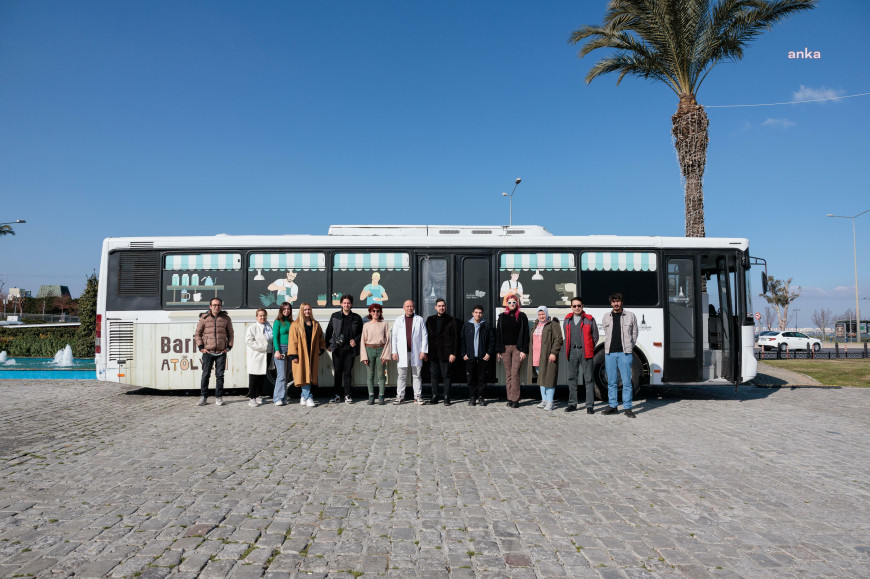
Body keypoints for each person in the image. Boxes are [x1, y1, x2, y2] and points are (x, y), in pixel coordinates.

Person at [602, 293, 639, 418]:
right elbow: (607, 333)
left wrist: (629, 346)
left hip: (625, 353)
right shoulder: (606, 316)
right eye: (613, 302)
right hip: (610, 353)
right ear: (611, 303)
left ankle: (627, 408)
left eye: (617, 301)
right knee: (611, 381)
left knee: (626, 381)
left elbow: (635, 333)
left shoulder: (630, 316)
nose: (615, 304)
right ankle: (613, 406)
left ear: (621, 302)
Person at [194, 297, 234, 406]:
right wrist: (201, 347)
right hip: (208, 352)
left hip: (221, 352)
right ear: (210, 306)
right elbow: (197, 333)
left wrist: (229, 347)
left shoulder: (226, 318)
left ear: (221, 306)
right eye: (214, 305)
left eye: (219, 305)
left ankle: (219, 397)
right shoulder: (204, 318)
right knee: (205, 374)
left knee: (220, 375)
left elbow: (231, 334)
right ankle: (203, 397)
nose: (217, 307)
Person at [563, 297, 599, 414]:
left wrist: (589, 347)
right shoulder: (567, 320)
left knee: (588, 379)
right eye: (574, 306)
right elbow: (566, 335)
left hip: (585, 352)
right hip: (572, 352)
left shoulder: (589, 319)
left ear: (582, 306)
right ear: (571, 307)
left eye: (579, 305)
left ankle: (590, 406)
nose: (577, 308)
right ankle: (572, 404)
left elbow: (595, 336)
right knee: (572, 378)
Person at [325, 294, 363, 404]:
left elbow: (362, 333)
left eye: (348, 303)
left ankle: (347, 395)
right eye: (344, 303)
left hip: (350, 350)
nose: (346, 305)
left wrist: (355, 340)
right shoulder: (335, 316)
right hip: (337, 349)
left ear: (351, 305)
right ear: (341, 304)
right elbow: (329, 331)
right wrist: (327, 344)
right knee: (337, 372)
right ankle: (336, 395)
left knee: (347, 372)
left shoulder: (357, 318)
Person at [289, 302, 326, 407]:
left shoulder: (315, 324)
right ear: (301, 311)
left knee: (309, 375)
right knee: (303, 375)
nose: (307, 311)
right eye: (305, 309)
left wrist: (321, 349)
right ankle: (309, 397)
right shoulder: (296, 325)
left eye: (309, 309)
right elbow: (292, 341)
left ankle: (303, 396)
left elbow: (320, 338)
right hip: (301, 354)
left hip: (312, 354)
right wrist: (294, 355)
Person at [391, 300, 428, 404]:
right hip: (402, 352)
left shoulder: (419, 319)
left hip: (416, 352)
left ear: (414, 307)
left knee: (417, 375)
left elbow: (424, 336)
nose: (409, 308)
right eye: (407, 306)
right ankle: (400, 396)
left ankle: (417, 396)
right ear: (404, 308)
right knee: (401, 376)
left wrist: (423, 351)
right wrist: (394, 352)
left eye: (411, 306)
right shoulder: (398, 320)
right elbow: (394, 337)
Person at [495, 296, 529, 408]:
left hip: (517, 348)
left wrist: (524, 350)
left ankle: (515, 399)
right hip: (504, 349)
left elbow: (525, 335)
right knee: (508, 374)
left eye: (514, 302)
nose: (512, 304)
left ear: (517, 303)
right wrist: (498, 350)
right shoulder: (502, 317)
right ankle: (509, 398)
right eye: (510, 302)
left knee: (515, 373)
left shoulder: (522, 316)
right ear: (507, 304)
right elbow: (498, 334)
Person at [528, 306, 563, 411]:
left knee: (549, 378)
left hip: (548, 356)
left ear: (547, 314)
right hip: (536, 356)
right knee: (541, 378)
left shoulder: (553, 325)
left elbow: (559, 339)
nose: (541, 316)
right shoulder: (536, 324)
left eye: (543, 314)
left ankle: (550, 402)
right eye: (539, 314)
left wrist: (553, 353)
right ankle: (544, 400)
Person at [424, 298, 458, 405]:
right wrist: (425, 351)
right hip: (433, 353)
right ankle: (435, 396)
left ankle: (446, 397)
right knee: (434, 375)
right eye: (439, 306)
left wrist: (453, 353)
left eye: (443, 306)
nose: (441, 308)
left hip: (446, 353)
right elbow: (425, 337)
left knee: (446, 375)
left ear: (445, 307)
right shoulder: (430, 320)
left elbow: (455, 338)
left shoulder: (451, 320)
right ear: (435, 307)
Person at [461, 305, 494, 406]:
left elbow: (491, 341)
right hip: (470, 357)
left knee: (482, 378)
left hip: (482, 357)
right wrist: (463, 354)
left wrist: (488, 353)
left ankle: (481, 397)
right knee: (471, 378)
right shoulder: (467, 325)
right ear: (472, 313)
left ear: (482, 314)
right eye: (476, 312)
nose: (478, 314)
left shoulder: (486, 326)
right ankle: (472, 397)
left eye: (480, 313)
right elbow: (462, 341)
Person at [360, 303, 392, 405]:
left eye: (378, 311)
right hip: (369, 349)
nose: (375, 313)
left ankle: (381, 396)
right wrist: (364, 356)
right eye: (373, 311)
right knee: (370, 376)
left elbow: (388, 340)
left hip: (381, 350)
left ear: (380, 312)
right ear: (370, 312)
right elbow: (362, 341)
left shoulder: (384, 324)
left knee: (381, 375)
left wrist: (386, 355)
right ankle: (371, 396)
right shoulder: (366, 325)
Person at [244, 308, 273, 407]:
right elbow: (249, 341)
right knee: (254, 377)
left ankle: (258, 395)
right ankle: (252, 397)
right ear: (257, 317)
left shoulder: (269, 326)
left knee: (262, 376)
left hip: (267, 354)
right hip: (257, 355)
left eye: (264, 315)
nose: (262, 317)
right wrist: (262, 347)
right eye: (260, 315)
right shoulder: (253, 328)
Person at [271, 302, 293, 406]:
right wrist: (277, 350)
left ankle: (283, 397)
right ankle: (277, 398)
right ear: (281, 310)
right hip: (281, 349)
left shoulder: (291, 321)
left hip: (291, 350)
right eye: (284, 309)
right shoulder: (277, 322)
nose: (286, 311)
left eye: (288, 309)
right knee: (281, 375)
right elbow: (275, 337)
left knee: (287, 374)